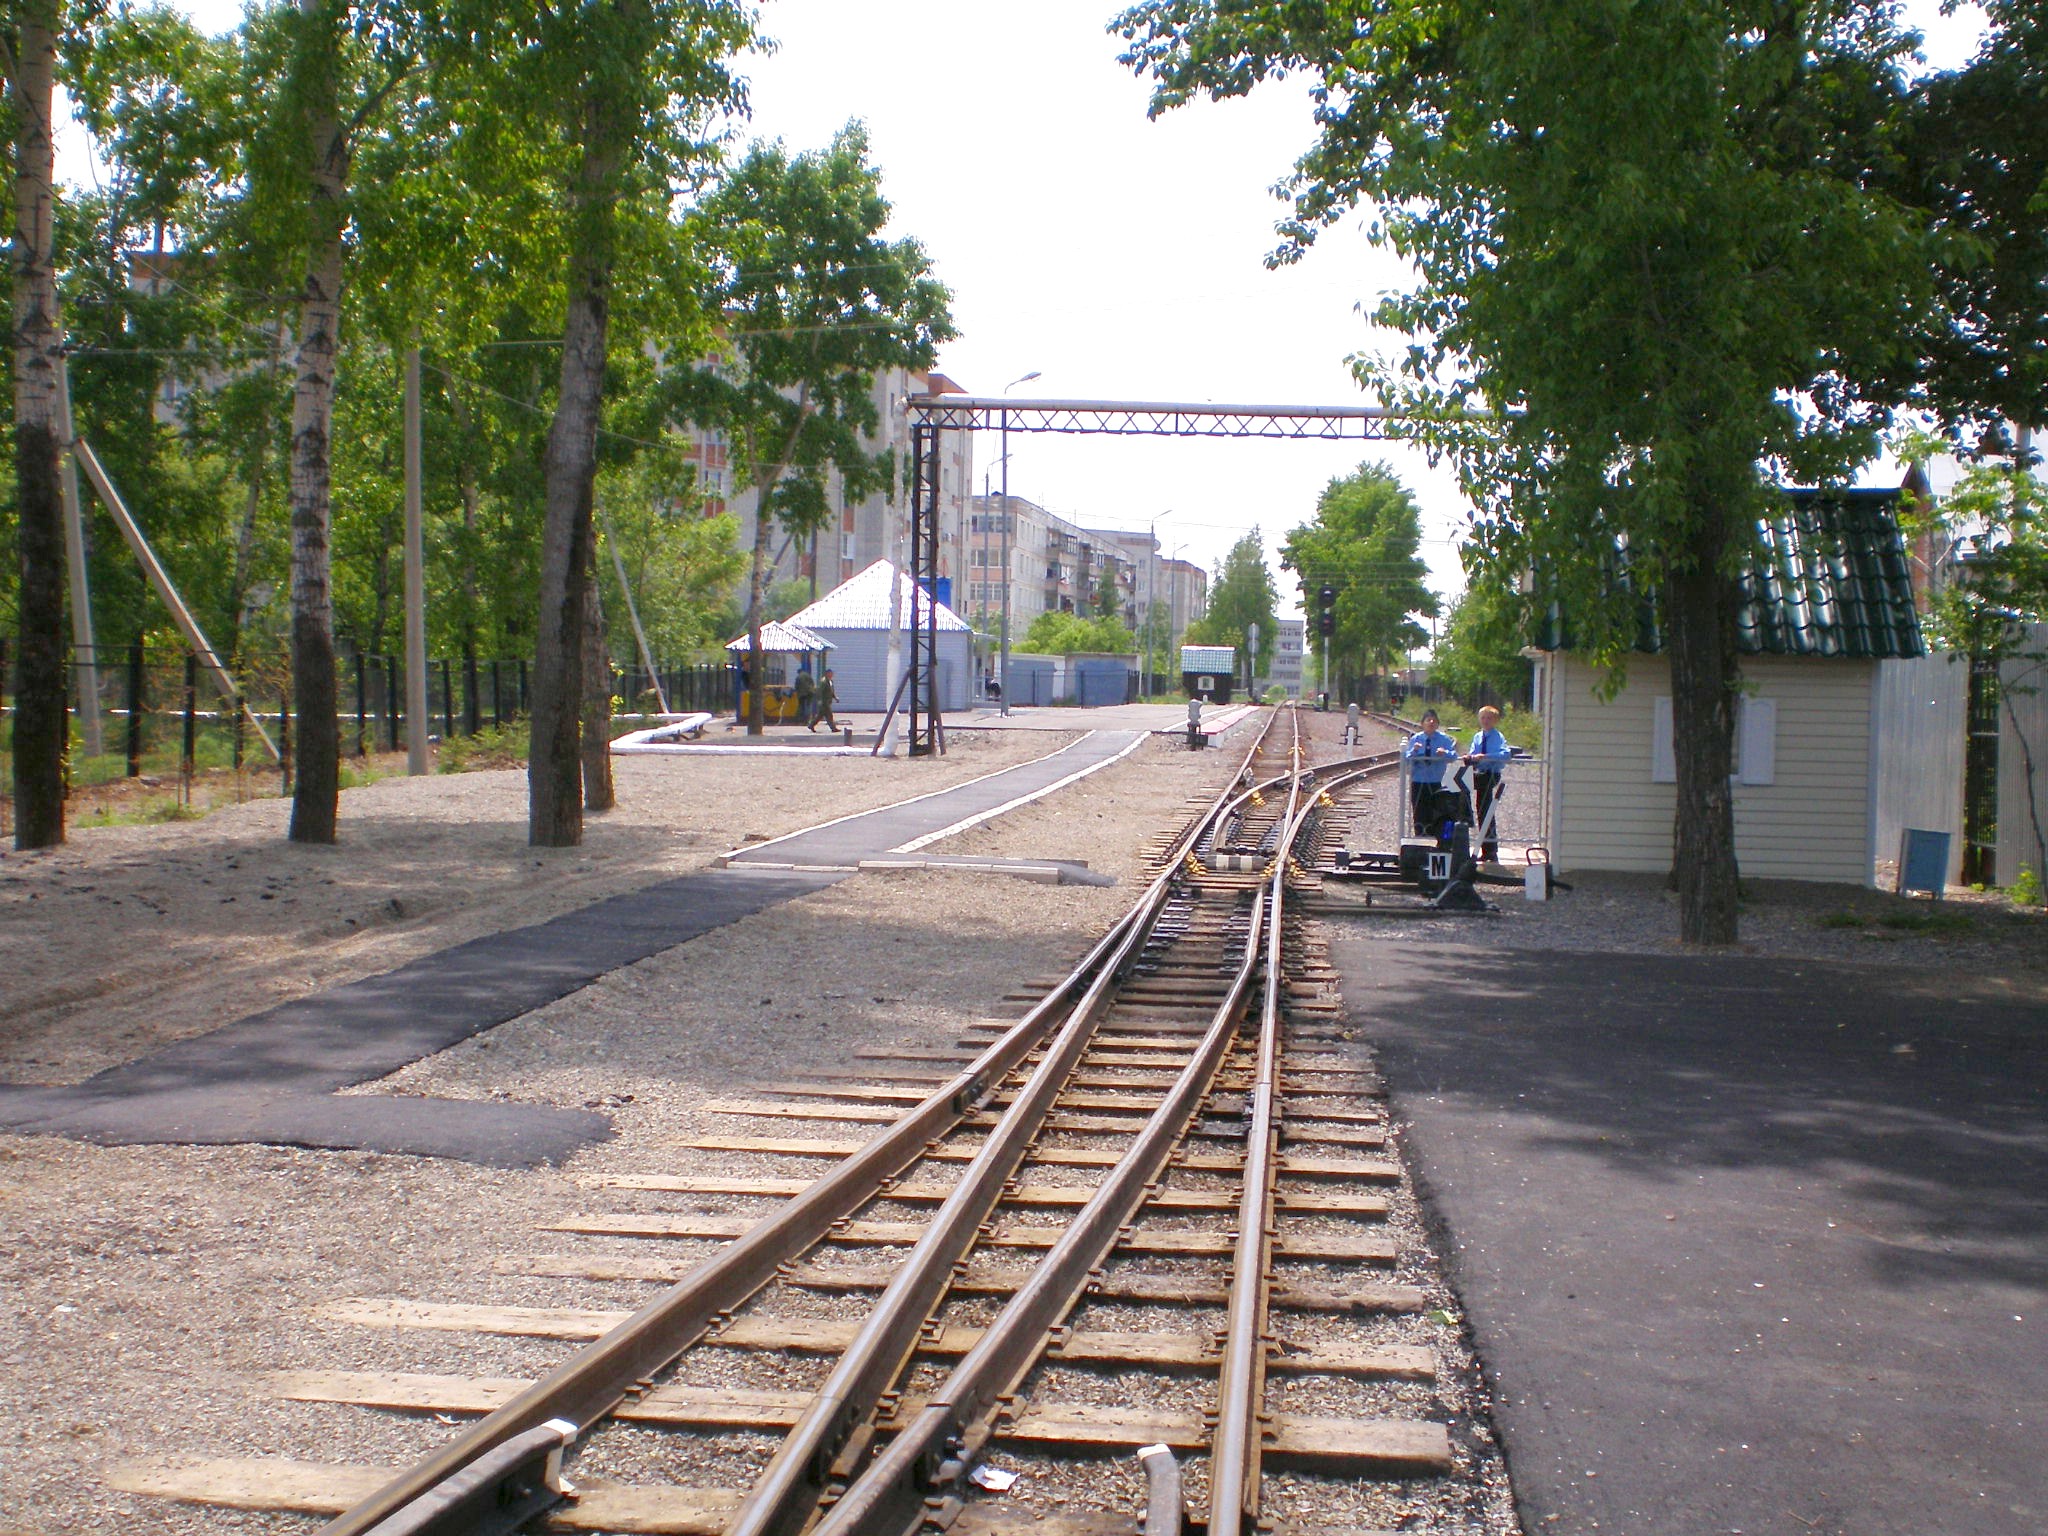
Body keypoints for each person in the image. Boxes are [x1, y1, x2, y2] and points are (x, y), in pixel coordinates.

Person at [1463, 705, 1511, 862]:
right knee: (1456, 785)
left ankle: (1490, 850)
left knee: (1485, 809)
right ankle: (1465, 818)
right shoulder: (1478, 736)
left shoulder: (1498, 737)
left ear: (1495, 720)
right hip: (1478, 772)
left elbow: (1505, 754)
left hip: (1490, 774)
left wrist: (1487, 756)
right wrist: (1470, 757)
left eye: (1489, 718)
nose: (1485, 721)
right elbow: (1473, 752)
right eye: (1483, 718)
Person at [1403, 707, 1459, 836]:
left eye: (1434, 720)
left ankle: (1434, 835)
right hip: (1418, 780)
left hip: (1435, 780)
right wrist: (1414, 751)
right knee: (1419, 809)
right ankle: (1419, 834)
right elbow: (1406, 759)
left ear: (1438, 724)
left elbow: (1454, 756)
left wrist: (1445, 752)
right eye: (1428, 720)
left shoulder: (1444, 739)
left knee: (1435, 809)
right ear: (1422, 723)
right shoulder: (1416, 738)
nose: (1431, 722)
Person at [809, 668, 838, 733]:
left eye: (832, 674)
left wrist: (835, 698)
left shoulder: (830, 681)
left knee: (820, 716)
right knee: (829, 715)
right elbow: (820, 691)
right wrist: (820, 700)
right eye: (830, 673)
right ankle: (833, 728)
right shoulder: (824, 682)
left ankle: (811, 725)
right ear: (827, 674)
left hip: (827, 702)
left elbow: (831, 692)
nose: (831, 675)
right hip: (824, 702)